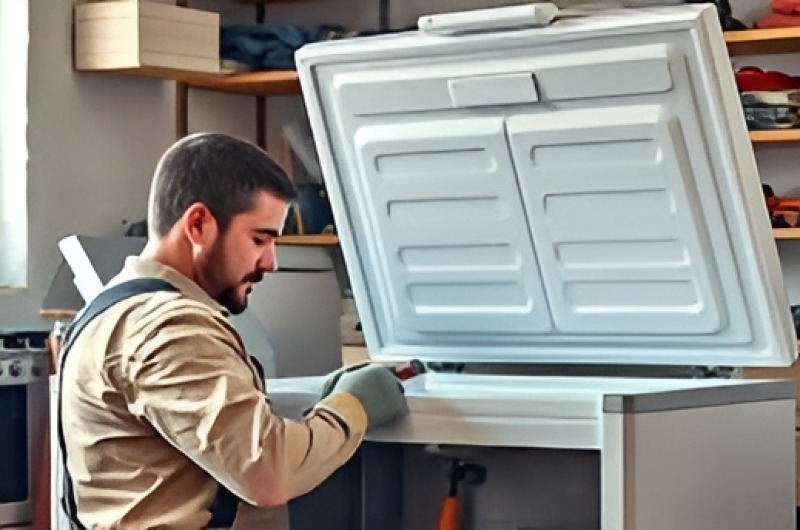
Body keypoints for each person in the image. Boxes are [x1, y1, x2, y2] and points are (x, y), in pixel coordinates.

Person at [57, 132, 408, 529]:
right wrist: (353, 407)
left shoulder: (113, 307)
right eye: (259, 239)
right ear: (199, 224)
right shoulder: (168, 326)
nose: (271, 262)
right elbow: (267, 472)